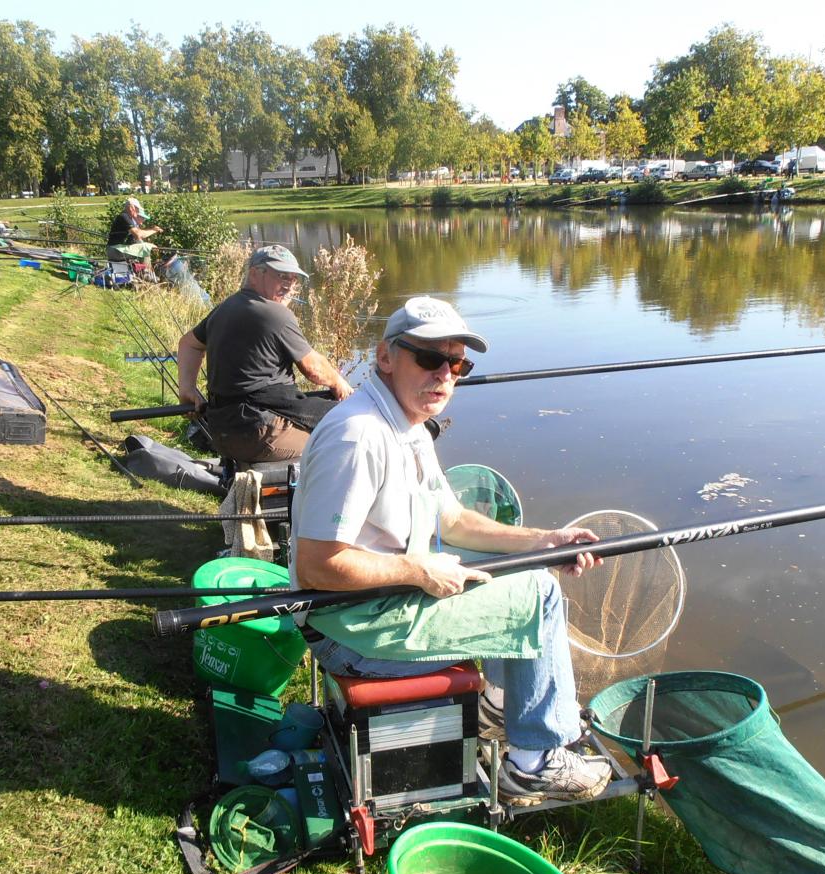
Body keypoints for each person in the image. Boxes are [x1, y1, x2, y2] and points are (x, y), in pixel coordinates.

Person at [288, 296, 613, 805]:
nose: (445, 374)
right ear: (386, 356)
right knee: (540, 597)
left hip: (385, 605)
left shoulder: (408, 424)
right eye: (429, 358)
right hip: (351, 630)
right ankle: (534, 765)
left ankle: (498, 710)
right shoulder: (359, 437)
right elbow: (316, 565)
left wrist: (546, 541)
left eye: (457, 363)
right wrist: (416, 569)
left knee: (522, 573)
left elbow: (454, 520)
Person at [176, 245, 351, 463]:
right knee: (345, 432)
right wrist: (338, 382)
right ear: (254, 274)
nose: (289, 285)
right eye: (282, 276)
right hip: (260, 433)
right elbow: (314, 369)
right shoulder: (277, 313)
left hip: (221, 431)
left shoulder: (226, 307)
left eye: (294, 279)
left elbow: (188, 344)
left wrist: (187, 388)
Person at [107, 197, 162, 270]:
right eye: (137, 209)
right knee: (144, 249)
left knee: (145, 247)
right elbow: (138, 234)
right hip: (116, 249)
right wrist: (154, 230)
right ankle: (147, 274)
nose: (137, 211)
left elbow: (138, 237)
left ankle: (143, 272)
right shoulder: (124, 216)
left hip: (119, 248)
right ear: (131, 207)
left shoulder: (129, 218)